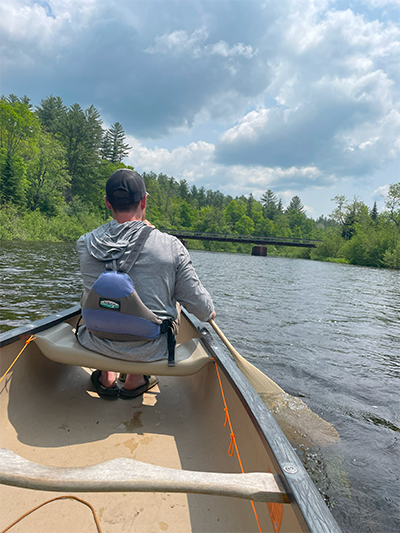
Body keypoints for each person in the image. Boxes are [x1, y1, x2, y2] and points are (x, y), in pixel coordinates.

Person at [76, 168, 215, 399]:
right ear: (144, 200)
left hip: (95, 341)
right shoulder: (170, 245)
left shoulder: (85, 243)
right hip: (150, 349)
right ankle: (135, 379)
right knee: (175, 300)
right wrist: (210, 311)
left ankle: (106, 376)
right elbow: (201, 309)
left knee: (97, 293)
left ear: (107, 203)